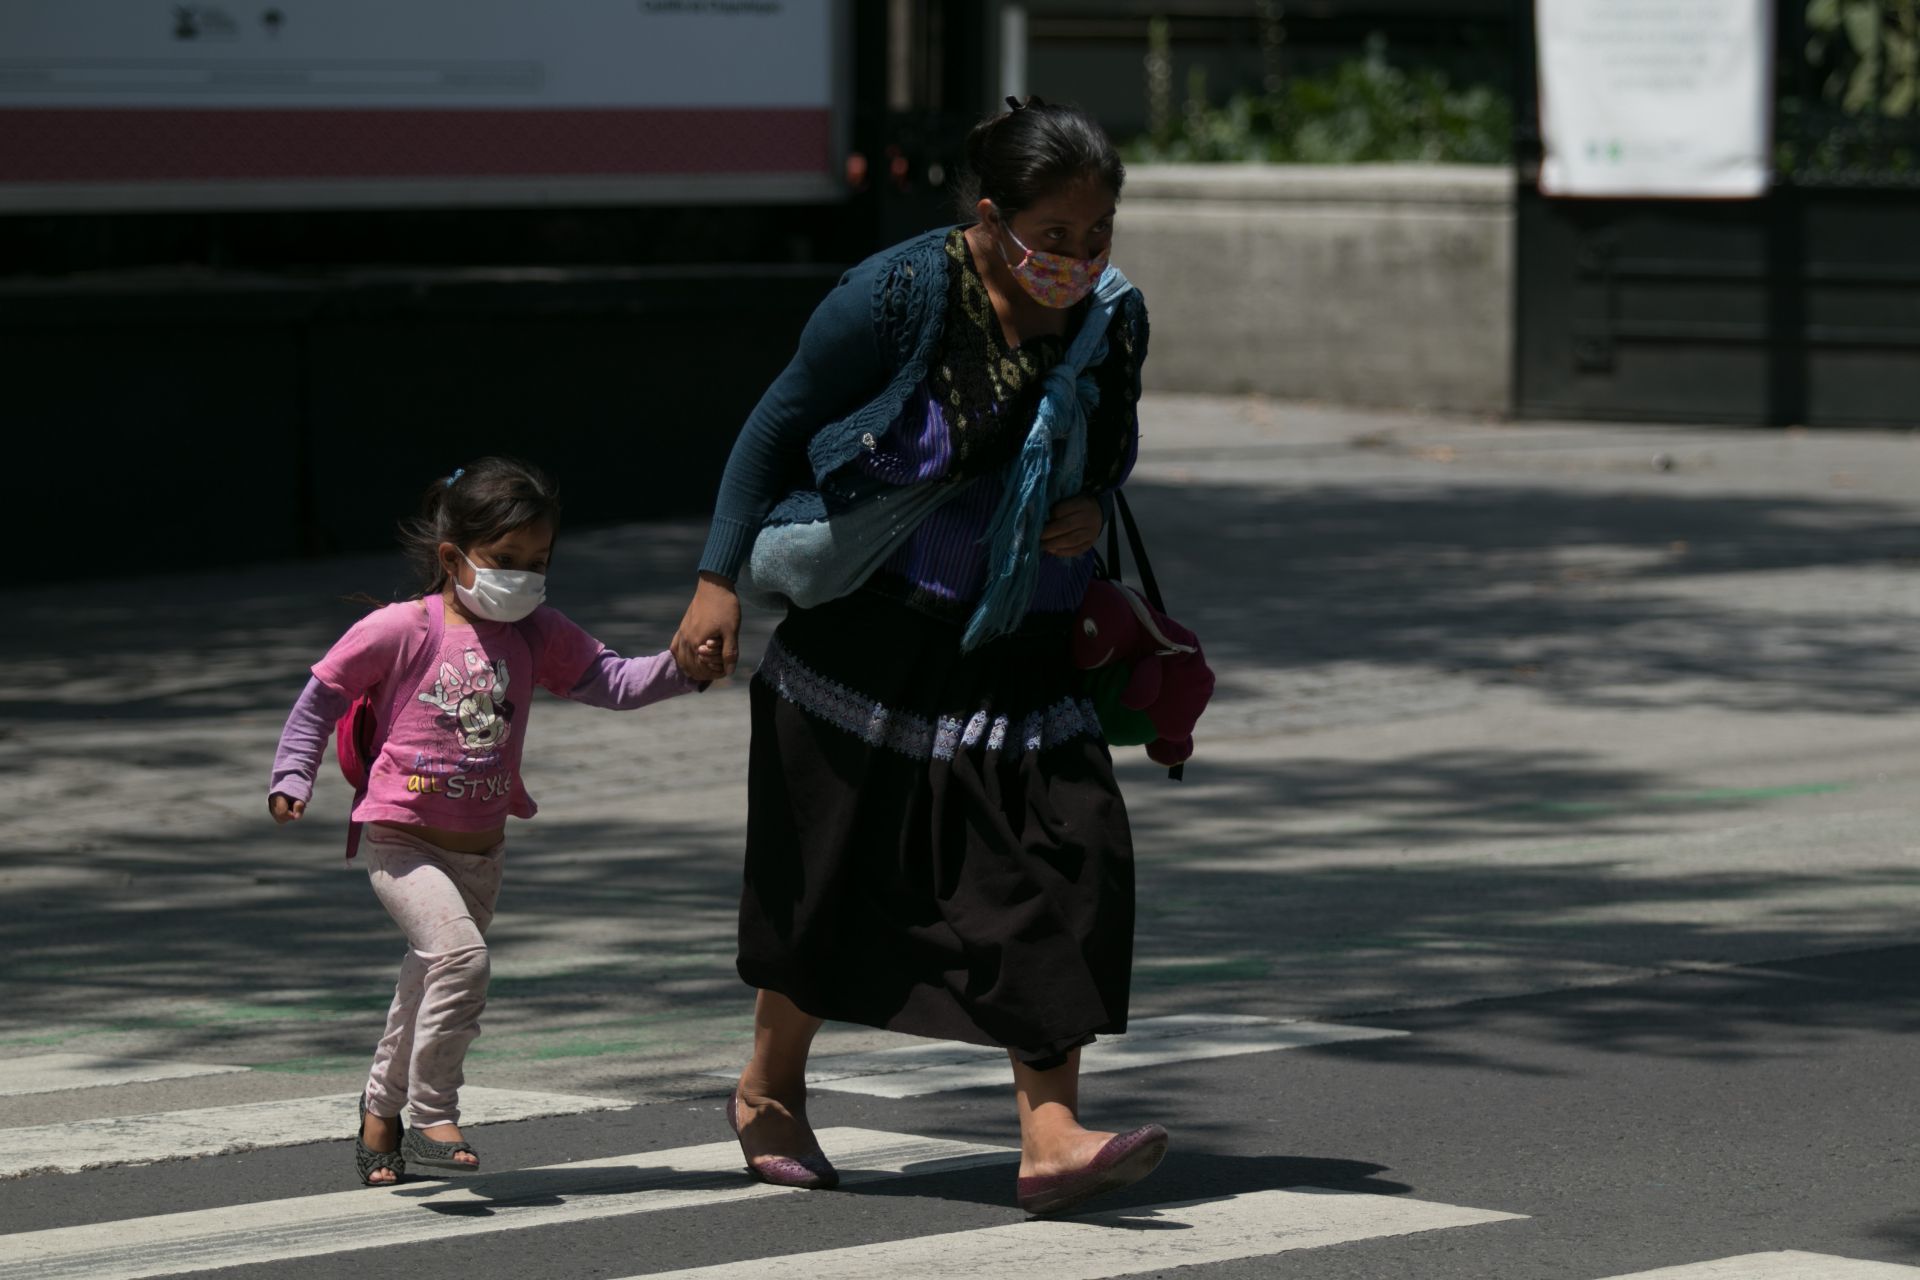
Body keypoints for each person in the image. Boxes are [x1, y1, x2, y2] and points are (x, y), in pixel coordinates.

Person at [673, 97, 1166, 1216]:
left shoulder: (1112, 318)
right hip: (869, 643)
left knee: (1065, 863)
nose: (1080, 256)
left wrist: (1090, 502)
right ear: (991, 218)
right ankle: (769, 1088)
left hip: (1022, 646)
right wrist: (716, 577)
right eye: (1054, 235)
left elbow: (1114, 442)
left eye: (1099, 232)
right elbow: (776, 423)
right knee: (828, 879)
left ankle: (1050, 1134)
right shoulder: (900, 293)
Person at [268, 457, 704, 1186]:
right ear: (453, 557)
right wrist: (291, 774)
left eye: (539, 562)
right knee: (462, 961)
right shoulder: (403, 627)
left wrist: (685, 667)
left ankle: (379, 1114)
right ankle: (433, 1115)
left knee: (426, 982)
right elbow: (322, 694)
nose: (524, 577)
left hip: (481, 855)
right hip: (402, 843)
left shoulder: (536, 633)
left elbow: (612, 680)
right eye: (505, 560)